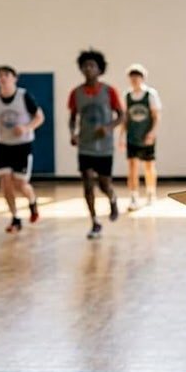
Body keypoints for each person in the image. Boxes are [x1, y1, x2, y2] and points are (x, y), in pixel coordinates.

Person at [67, 49, 124, 239]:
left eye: (92, 65)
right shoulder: (76, 93)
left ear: (100, 69)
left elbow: (122, 116)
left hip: (105, 146)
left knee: (103, 183)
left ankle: (112, 198)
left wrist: (109, 127)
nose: (88, 69)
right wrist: (73, 134)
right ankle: (94, 222)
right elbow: (72, 118)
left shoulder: (110, 91)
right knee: (87, 183)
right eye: (85, 66)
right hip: (85, 144)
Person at [0, 65, 45, 232]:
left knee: (21, 183)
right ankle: (15, 217)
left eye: (6, 75)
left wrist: (26, 128)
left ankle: (32, 202)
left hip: (22, 145)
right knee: (5, 182)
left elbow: (40, 117)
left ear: (14, 78)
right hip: (3, 144)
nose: (2, 78)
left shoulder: (24, 96)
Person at [119, 63, 161, 211]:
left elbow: (156, 116)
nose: (134, 79)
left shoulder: (151, 94)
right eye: (132, 77)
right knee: (132, 167)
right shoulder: (127, 96)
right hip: (132, 136)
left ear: (142, 78)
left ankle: (151, 193)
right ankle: (133, 197)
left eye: (137, 77)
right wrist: (121, 137)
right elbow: (124, 119)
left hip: (147, 136)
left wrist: (152, 132)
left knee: (149, 167)